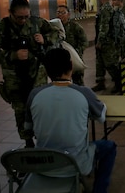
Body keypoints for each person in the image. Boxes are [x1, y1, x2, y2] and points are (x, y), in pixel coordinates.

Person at [25, 48, 117, 193]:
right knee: (109, 146)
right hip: (75, 163)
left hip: (44, 163)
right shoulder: (84, 93)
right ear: (71, 66)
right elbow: (101, 117)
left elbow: (28, 128)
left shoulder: (34, 94)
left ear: (47, 70)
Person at [0, 0, 58, 148]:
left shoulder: (37, 22)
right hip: (14, 75)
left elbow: (57, 34)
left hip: (37, 72)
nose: (23, 20)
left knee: (39, 106)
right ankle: (27, 141)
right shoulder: (0, 28)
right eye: (19, 17)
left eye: (26, 16)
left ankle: (42, 138)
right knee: (20, 109)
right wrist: (12, 55)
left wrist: (45, 39)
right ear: (10, 13)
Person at [92, 0, 122, 93]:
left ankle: (119, 84)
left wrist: (100, 41)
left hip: (107, 41)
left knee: (110, 63)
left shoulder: (106, 9)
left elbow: (104, 26)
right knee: (99, 62)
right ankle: (100, 83)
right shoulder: (107, 8)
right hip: (105, 39)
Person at [56, 5, 88, 85]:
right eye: (58, 12)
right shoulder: (54, 27)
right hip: (60, 60)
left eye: (63, 13)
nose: (60, 15)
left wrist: (76, 52)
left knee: (78, 83)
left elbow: (84, 42)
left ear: (68, 14)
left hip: (74, 59)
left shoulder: (75, 27)